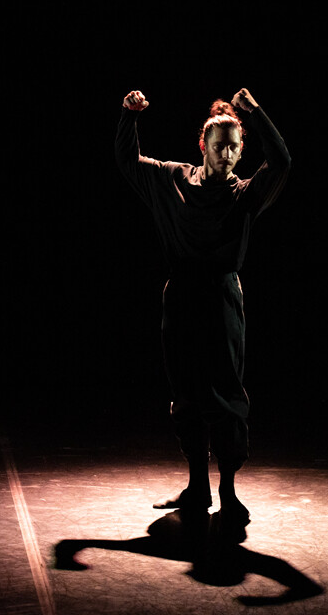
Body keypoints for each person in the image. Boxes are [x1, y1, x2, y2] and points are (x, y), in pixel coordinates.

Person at [115, 88, 290, 527]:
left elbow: (282, 161)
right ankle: (197, 487)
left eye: (234, 147)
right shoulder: (174, 179)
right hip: (181, 297)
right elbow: (128, 161)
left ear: (242, 149)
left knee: (227, 397)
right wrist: (129, 116)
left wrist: (254, 111)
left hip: (222, 299)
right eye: (219, 146)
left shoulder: (246, 194)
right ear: (203, 146)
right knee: (187, 395)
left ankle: (228, 490)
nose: (226, 154)